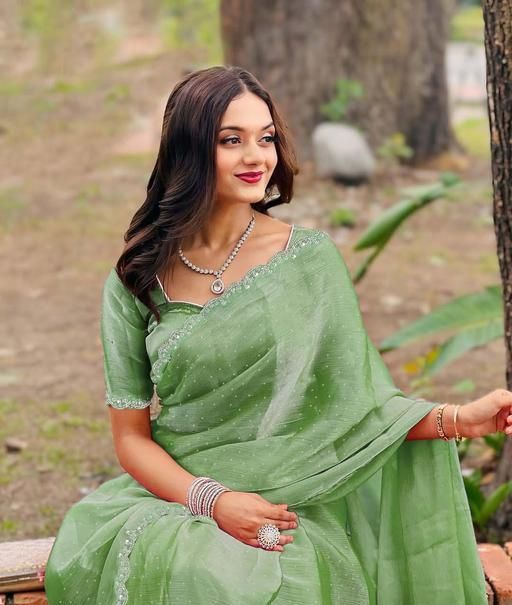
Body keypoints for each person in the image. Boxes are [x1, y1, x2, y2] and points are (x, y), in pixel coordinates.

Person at [44, 65, 512, 605]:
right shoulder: (137, 276)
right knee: (197, 571)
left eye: (265, 138)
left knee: (268, 581)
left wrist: (460, 419)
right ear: (188, 149)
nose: (256, 157)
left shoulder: (306, 261)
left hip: (289, 502)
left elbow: (358, 411)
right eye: (231, 140)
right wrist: (214, 502)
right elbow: (130, 438)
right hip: (178, 497)